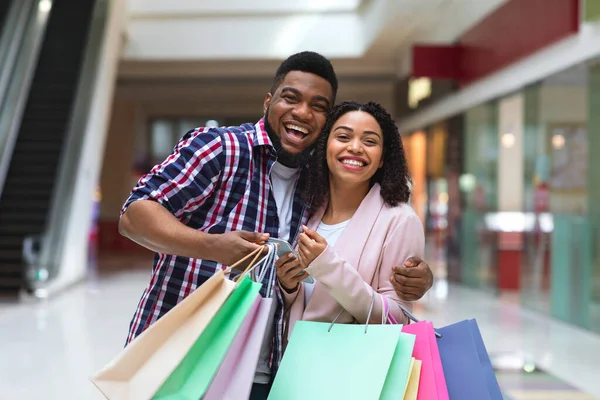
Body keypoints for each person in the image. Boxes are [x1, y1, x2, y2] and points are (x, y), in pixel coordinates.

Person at [118, 52, 433, 399]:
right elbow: (134, 216)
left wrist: (419, 277)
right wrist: (212, 246)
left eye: (318, 105)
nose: (302, 112)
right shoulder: (222, 149)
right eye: (291, 97)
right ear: (269, 100)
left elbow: (351, 274)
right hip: (181, 360)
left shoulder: (313, 186)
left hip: (267, 375)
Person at [276, 101, 424, 341]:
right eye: (343, 137)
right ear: (326, 146)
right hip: (295, 367)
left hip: (353, 371)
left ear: (383, 158)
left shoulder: (400, 220)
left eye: (370, 141)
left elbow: (398, 318)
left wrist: (328, 266)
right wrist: (289, 285)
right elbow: (308, 305)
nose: (355, 148)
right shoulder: (307, 213)